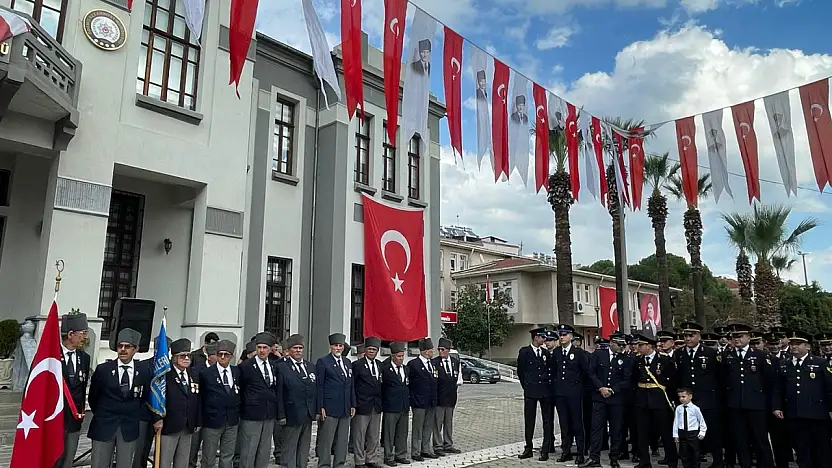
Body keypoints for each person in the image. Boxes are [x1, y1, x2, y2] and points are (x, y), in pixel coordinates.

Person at [88, 328, 150, 468]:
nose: (122, 350)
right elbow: (93, 397)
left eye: (127, 347)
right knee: (99, 464)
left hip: (128, 426)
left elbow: (144, 397)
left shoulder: (144, 371)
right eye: (120, 346)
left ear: (136, 349)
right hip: (104, 425)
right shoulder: (103, 370)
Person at [773, 330, 832, 468]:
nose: (794, 346)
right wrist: (777, 406)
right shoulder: (784, 364)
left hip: (817, 414)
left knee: (821, 450)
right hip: (795, 414)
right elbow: (779, 389)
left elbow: (829, 389)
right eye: (792, 343)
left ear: (808, 346)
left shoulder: (820, 363)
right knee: (801, 449)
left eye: (798, 344)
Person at [723, 323, 775, 468]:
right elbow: (724, 378)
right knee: (740, 439)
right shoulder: (727, 355)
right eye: (733, 337)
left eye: (739, 336)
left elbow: (768, 380)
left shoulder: (760, 355)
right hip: (735, 404)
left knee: (760, 438)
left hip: (755, 403)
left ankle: (766, 464)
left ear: (748, 337)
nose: (736, 340)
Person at [676, 322, 722, 468]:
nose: (688, 338)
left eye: (691, 335)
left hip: (708, 398)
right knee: (690, 434)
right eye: (685, 336)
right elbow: (679, 376)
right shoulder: (679, 353)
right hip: (689, 401)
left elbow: (719, 377)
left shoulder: (710, 352)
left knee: (712, 432)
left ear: (698, 336)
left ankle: (718, 461)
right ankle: (693, 461)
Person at [583, 334, 631, 468]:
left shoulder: (625, 358)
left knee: (616, 430)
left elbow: (627, 379)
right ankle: (594, 458)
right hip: (600, 398)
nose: (622, 347)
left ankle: (614, 458)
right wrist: (600, 387)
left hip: (616, 399)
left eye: (623, 345)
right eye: (619, 345)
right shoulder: (599, 355)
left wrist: (612, 390)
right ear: (611, 343)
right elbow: (591, 373)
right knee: (596, 428)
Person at [634, 333, 678, 468]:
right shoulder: (637, 360)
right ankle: (644, 461)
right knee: (642, 432)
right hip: (642, 398)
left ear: (649, 346)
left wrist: (671, 399)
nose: (638, 347)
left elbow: (673, 380)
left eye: (641, 345)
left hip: (659, 398)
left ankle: (671, 459)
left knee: (665, 430)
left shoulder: (663, 360)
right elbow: (634, 379)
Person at [155, 339, 201, 468]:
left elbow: (197, 399)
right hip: (170, 425)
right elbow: (157, 398)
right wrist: (157, 419)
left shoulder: (193, 374)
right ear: (174, 357)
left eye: (188, 355)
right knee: (164, 462)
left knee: (182, 462)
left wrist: (197, 421)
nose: (186, 358)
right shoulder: (166, 375)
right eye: (182, 356)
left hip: (188, 426)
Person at [238, 332, 280, 468]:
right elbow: (242, 387)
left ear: (270, 349)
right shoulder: (246, 366)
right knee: (249, 449)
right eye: (259, 347)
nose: (262, 351)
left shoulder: (273, 365)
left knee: (264, 450)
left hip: (269, 413)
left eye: (265, 348)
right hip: (252, 414)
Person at [276, 334, 317, 468]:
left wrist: (315, 409)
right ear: (288, 350)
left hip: (307, 413)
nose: (298, 350)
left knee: (304, 448)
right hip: (291, 414)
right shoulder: (282, 367)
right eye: (295, 348)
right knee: (289, 448)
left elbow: (314, 390)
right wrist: (281, 415)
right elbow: (279, 393)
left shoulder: (310, 366)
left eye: (300, 348)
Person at [315, 333, 355, 468]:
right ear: (330, 347)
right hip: (330, 406)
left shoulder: (347, 362)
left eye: (340, 346)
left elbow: (351, 385)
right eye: (335, 346)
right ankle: (324, 464)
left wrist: (352, 404)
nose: (338, 348)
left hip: (345, 406)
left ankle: (339, 464)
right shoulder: (323, 362)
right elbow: (319, 385)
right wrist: (320, 406)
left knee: (342, 440)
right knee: (327, 439)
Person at [56, 313, 91, 468]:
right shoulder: (51, 355)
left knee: (69, 460)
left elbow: (82, 388)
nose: (85, 337)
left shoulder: (84, 358)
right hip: (55, 419)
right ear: (70, 334)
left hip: (74, 418)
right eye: (83, 333)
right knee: (54, 460)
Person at [551, 323, 589, 464]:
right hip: (561, 394)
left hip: (574, 393)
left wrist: (581, 391)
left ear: (571, 336)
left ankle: (580, 453)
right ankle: (566, 451)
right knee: (564, 424)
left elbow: (585, 373)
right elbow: (554, 372)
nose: (562, 337)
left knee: (577, 424)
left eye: (564, 334)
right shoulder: (556, 352)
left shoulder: (578, 353)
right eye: (560, 335)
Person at [198, 339, 240, 468]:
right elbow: (201, 398)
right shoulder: (206, 373)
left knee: (227, 455)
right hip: (212, 420)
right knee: (209, 456)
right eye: (220, 354)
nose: (222, 357)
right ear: (216, 354)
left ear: (231, 356)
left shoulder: (237, 372)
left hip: (231, 420)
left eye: (226, 354)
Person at [517, 327, 553, 461]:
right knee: (529, 420)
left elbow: (549, 369)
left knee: (547, 420)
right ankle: (528, 448)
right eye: (542, 337)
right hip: (531, 390)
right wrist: (526, 386)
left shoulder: (545, 353)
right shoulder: (525, 352)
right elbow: (520, 371)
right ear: (535, 337)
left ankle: (546, 449)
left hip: (545, 390)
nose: (544, 340)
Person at [352, 337, 384, 468]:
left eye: (374, 350)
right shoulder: (357, 365)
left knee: (374, 435)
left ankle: (371, 458)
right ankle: (359, 460)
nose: (372, 351)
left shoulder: (379, 365)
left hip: (376, 405)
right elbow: (352, 386)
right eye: (370, 349)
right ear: (365, 350)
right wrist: (353, 404)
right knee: (359, 435)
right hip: (362, 404)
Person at [407, 338, 439, 461]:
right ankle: (416, 451)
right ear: (425, 351)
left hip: (431, 401)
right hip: (419, 402)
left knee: (428, 426)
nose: (433, 352)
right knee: (418, 427)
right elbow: (409, 383)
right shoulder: (413, 364)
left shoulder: (433, 364)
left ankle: (425, 449)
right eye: (431, 350)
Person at [432, 338, 463, 456]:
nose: (440, 352)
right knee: (437, 423)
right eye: (439, 349)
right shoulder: (435, 362)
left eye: (443, 349)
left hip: (451, 398)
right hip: (439, 398)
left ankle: (448, 444)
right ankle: (437, 445)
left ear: (448, 350)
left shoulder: (455, 362)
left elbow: (458, 380)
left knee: (448, 422)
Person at [381, 342, 410, 466]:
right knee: (389, 434)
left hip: (404, 406)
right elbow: (382, 388)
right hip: (390, 407)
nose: (401, 359)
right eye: (398, 356)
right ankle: (388, 456)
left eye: (402, 356)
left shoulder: (406, 369)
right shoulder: (385, 369)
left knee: (402, 433)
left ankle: (401, 454)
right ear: (392, 356)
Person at [673, 388, 707, 468]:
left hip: (693, 433)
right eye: (680, 397)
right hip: (682, 433)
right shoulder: (678, 408)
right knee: (684, 454)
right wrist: (675, 434)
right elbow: (676, 422)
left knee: (695, 453)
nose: (681, 399)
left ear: (690, 396)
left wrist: (702, 432)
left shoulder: (695, 408)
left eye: (683, 396)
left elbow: (701, 421)